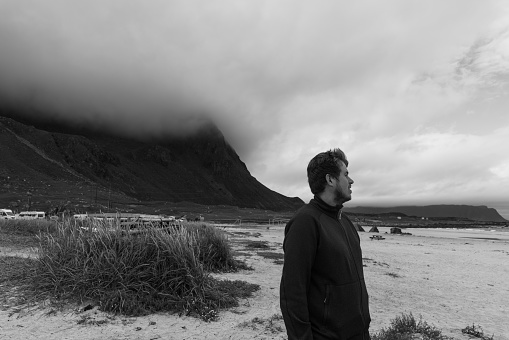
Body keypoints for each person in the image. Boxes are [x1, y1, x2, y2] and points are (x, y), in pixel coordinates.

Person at [280, 148, 371, 340]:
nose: (351, 180)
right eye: (346, 174)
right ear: (330, 180)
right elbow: (292, 293)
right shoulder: (305, 222)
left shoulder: (345, 222)